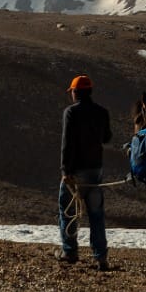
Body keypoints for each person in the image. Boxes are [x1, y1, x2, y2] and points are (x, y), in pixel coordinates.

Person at [57, 74, 112, 269]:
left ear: (76, 92)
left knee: (68, 210)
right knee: (96, 214)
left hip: (75, 171)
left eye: (72, 91)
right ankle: (100, 257)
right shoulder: (102, 112)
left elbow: (67, 143)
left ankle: (69, 251)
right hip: (95, 170)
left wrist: (65, 170)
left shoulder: (71, 112)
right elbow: (107, 138)